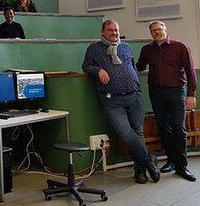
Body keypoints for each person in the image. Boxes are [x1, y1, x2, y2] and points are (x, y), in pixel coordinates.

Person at [82, 20, 160, 184]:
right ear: (102, 32)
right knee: (126, 133)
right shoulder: (94, 49)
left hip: (134, 96)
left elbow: (132, 66)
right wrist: (98, 70)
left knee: (138, 133)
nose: (114, 33)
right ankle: (149, 160)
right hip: (112, 100)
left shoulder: (125, 47)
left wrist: (137, 87)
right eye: (110, 30)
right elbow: (86, 66)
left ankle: (140, 171)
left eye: (116, 30)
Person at [136, 21, 197, 182]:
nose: (157, 32)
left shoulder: (180, 47)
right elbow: (140, 67)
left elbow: (191, 72)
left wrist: (191, 94)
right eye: (154, 30)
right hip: (156, 92)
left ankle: (181, 165)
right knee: (164, 127)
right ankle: (170, 160)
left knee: (178, 127)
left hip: (177, 92)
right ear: (151, 33)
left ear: (165, 30)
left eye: (160, 29)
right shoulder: (147, 50)